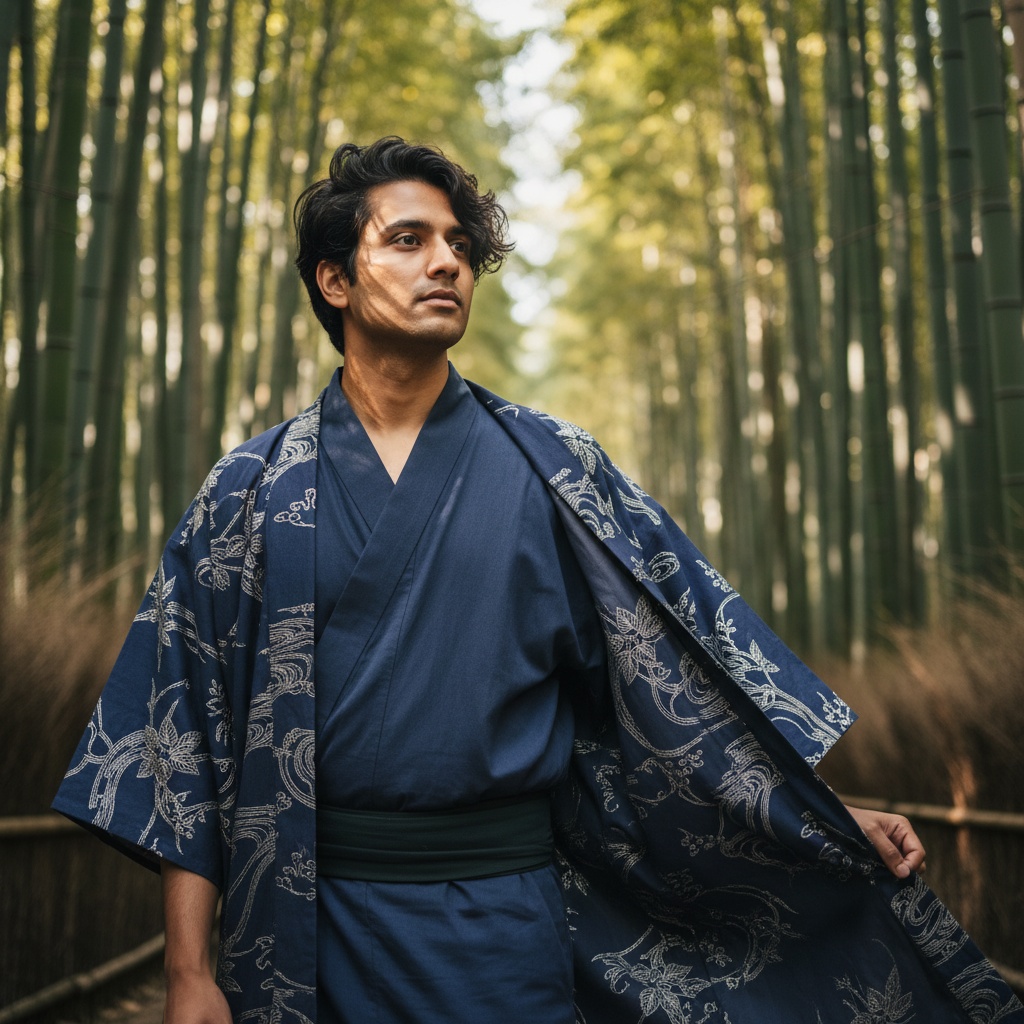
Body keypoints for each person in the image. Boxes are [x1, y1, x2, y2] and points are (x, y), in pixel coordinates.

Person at [54, 137, 1022, 1024]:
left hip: (503, 927)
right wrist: (189, 971)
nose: (447, 262)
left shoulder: (557, 471)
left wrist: (817, 812)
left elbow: (682, 688)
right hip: (306, 926)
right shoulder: (250, 491)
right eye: (409, 239)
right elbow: (189, 740)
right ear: (334, 279)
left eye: (459, 245)